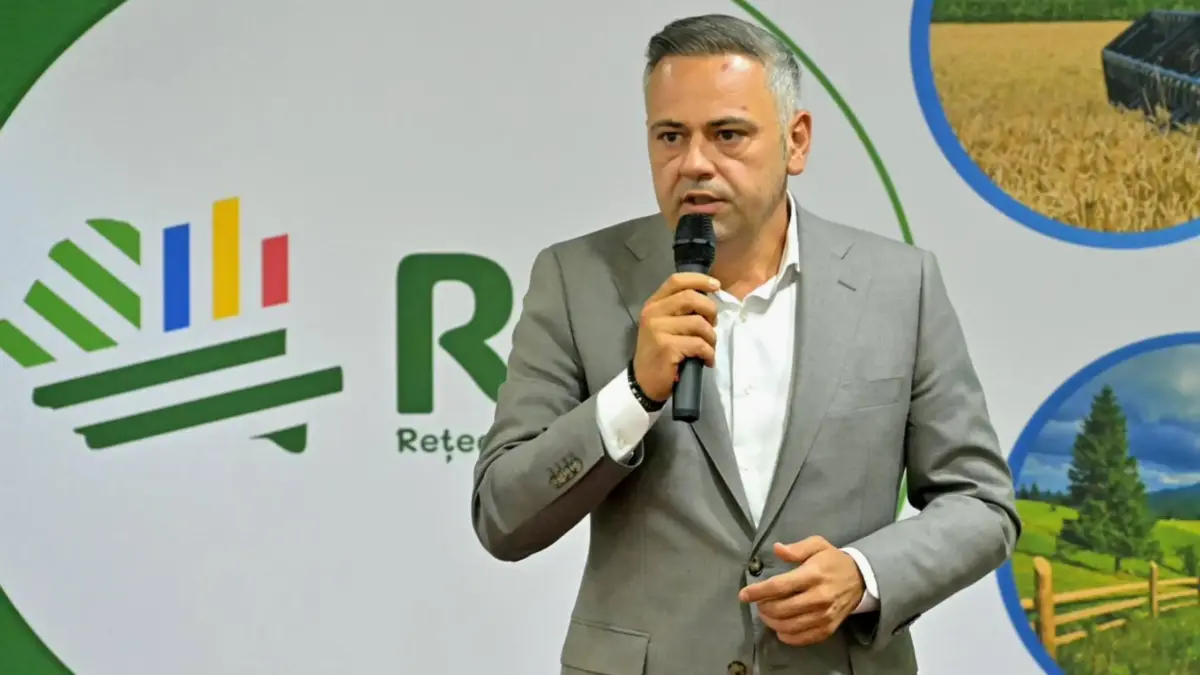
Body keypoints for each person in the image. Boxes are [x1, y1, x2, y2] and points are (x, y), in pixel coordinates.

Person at [470, 13, 1020, 675]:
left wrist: (864, 574)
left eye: (727, 134)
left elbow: (981, 503)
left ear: (796, 141)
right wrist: (634, 394)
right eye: (670, 136)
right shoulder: (575, 279)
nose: (694, 163)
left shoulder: (900, 286)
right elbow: (502, 515)